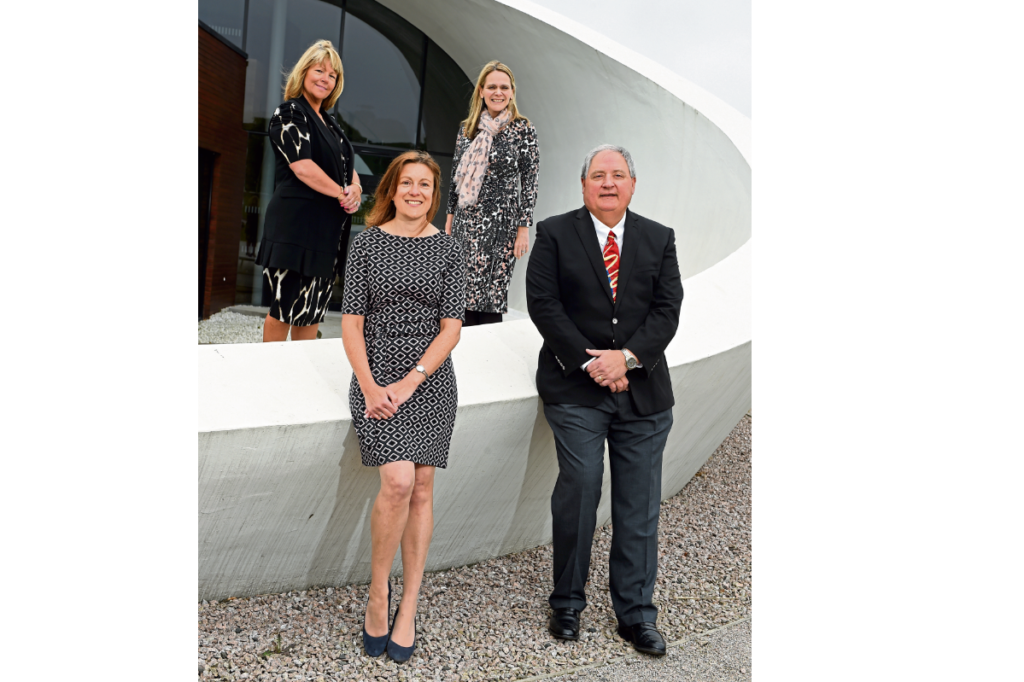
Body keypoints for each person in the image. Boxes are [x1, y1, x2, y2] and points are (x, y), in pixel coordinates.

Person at [525, 144, 683, 656]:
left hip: (644, 393)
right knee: (582, 484)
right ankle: (567, 602)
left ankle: (636, 615)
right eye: (598, 175)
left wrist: (628, 358)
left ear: (632, 184)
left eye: (618, 175)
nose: (608, 183)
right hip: (575, 389)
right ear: (584, 184)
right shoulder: (553, 233)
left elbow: (666, 309)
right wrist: (593, 362)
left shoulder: (659, 238)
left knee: (638, 504)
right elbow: (543, 304)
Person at [341, 151, 465, 663]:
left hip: (428, 380)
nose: (415, 192)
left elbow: (451, 328)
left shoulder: (451, 250)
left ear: (435, 195)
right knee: (397, 481)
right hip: (375, 377)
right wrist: (371, 386)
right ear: (391, 190)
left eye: (425, 185)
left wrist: (412, 380)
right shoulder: (366, 242)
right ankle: (378, 593)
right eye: (407, 183)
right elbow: (350, 323)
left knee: (423, 488)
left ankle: (408, 603)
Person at [256, 39, 363, 342]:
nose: (325, 79)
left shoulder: (330, 123)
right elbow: (302, 166)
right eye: (320, 70)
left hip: (326, 231)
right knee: (284, 309)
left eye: (333, 75)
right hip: (295, 228)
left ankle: (300, 380)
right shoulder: (290, 113)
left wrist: (354, 186)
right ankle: (271, 375)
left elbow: (346, 165)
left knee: (313, 310)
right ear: (303, 72)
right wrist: (342, 193)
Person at [444, 60, 539, 326]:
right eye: (492, 86)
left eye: (504, 87)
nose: (498, 92)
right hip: (466, 222)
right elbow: (456, 179)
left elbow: (530, 182)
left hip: (503, 225)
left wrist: (524, 228)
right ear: (481, 91)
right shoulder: (467, 129)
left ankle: (487, 356)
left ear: (512, 92)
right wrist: (449, 222)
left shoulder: (523, 130)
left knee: (491, 294)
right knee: (461, 292)